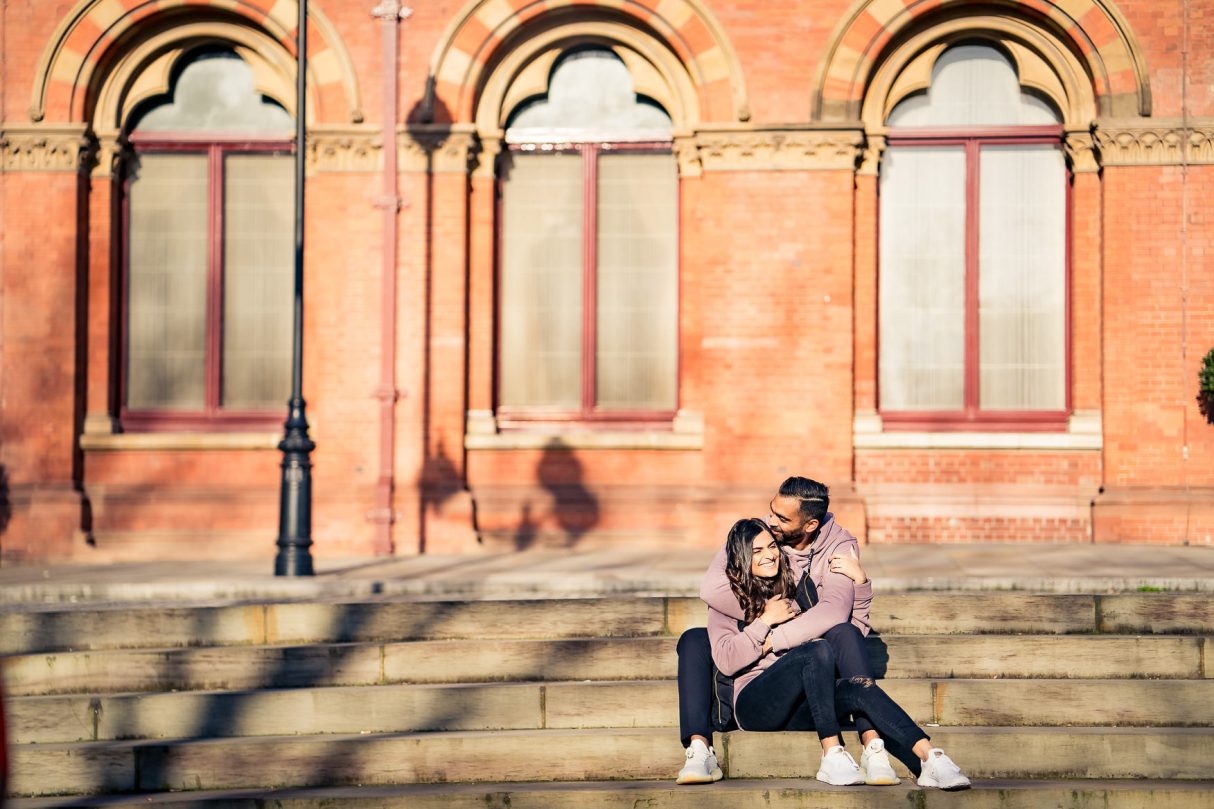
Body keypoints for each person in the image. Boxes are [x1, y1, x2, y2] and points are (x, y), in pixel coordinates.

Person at [709, 517, 971, 789]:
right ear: (741, 556)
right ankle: (832, 753)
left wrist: (861, 585)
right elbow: (727, 661)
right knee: (817, 649)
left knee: (859, 687)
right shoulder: (726, 601)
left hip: (801, 702)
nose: (770, 555)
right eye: (757, 551)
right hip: (754, 704)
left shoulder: (794, 588)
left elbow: (847, 631)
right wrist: (763, 622)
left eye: (772, 546)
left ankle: (929, 759)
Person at [676, 476, 887, 784]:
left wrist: (779, 632)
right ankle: (699, 747)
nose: (770, 521)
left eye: (781, 518)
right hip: (766, 656)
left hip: (811, 651)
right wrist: (765, 615)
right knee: (694, 639)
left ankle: (871, 744)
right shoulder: (760, 532)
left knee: (844, 634)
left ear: (810, 525)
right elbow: (711, 587)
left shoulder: (839, 546)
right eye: (771, 510)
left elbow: (835, 612)